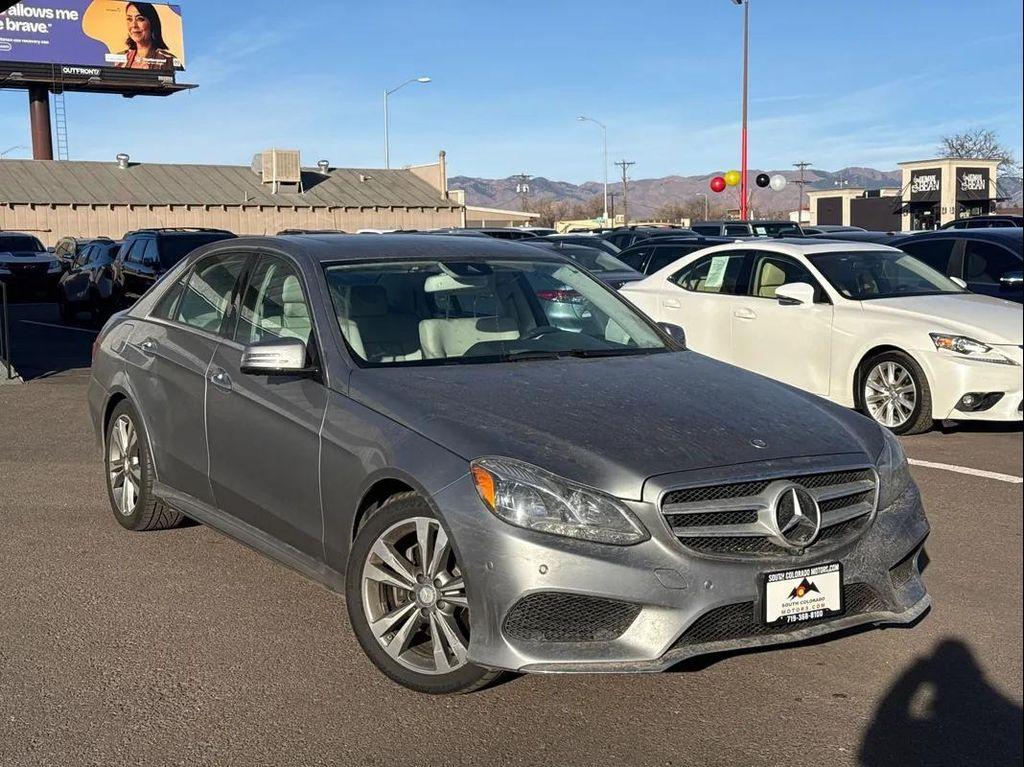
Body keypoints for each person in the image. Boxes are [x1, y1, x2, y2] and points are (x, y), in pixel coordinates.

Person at [115, 2, 176, 71]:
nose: (133, 25)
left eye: (140, 19)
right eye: (129, 19)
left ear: (152, 23)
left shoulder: (169, 60)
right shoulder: (119, 58)